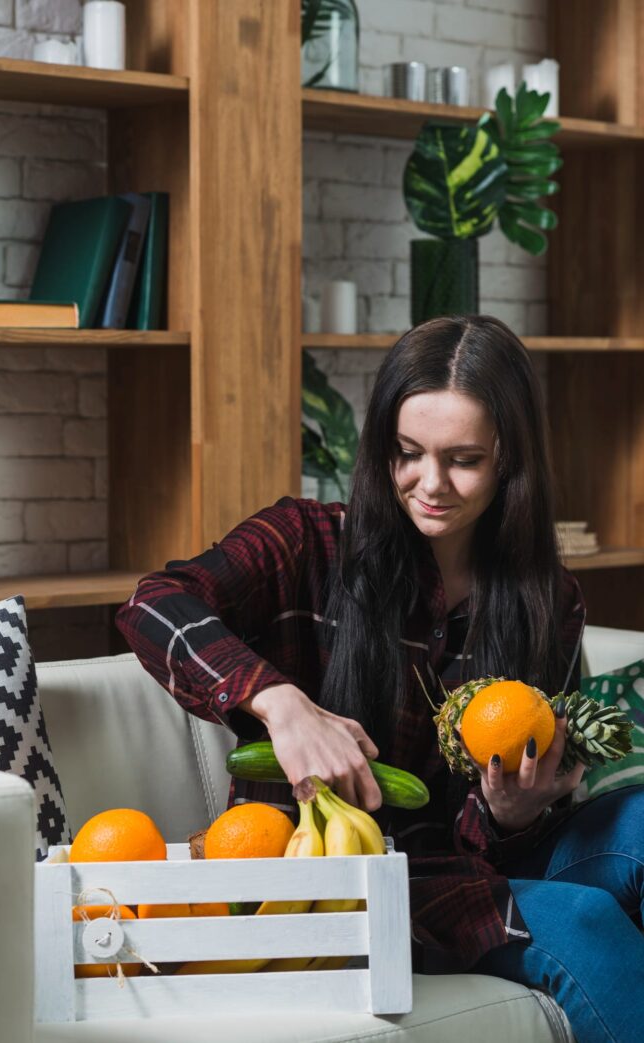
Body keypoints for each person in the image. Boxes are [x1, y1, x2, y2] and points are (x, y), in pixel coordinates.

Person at [117, 315, 644, 1043]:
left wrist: (512, 810)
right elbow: (152, 605)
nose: (430, 484)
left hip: (484, 860)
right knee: (582, 920)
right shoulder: (306, 541)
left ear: (510, 462)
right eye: (407, 453)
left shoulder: (547, 600)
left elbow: (498, 838)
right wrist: (280, 702)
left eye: (464, 459)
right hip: (350, 885)